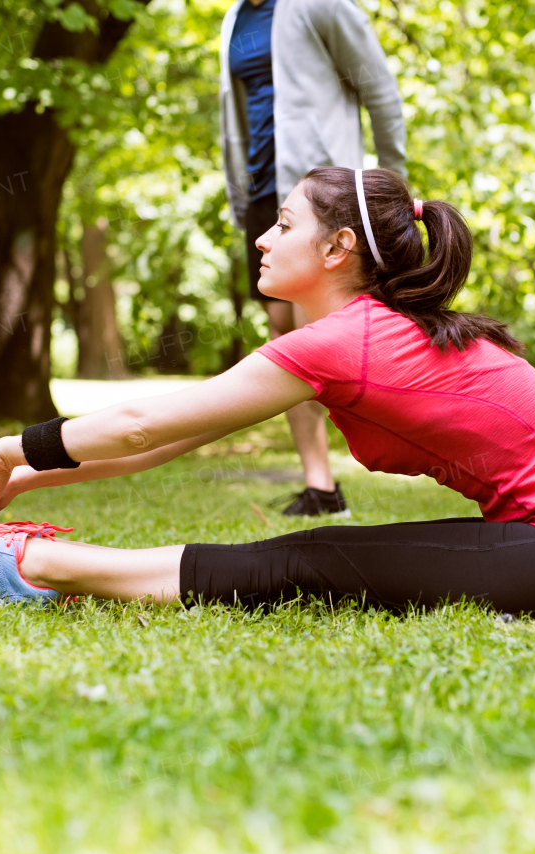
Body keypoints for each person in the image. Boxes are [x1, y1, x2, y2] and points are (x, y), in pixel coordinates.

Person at [0, 168, 535, 620]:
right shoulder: (357, 336)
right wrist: (19, 476)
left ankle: (37, 568)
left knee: (316, 558)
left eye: (283, 224)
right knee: (320, 554)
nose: (263, 240)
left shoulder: (353, 340)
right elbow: (167, 437)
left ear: (337, 249)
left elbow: (141, 423)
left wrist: (8, 447)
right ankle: (41, 569)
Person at [219, 0, 407, 516]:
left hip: (322, 195)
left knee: (319, 336)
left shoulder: (320, 4)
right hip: (263, 195)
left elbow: (381, 93)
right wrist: (241, 200)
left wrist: (391, 192)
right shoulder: (234, 19)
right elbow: (235, 115)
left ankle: (423, 443)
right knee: (286, 332)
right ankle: (320, 485)